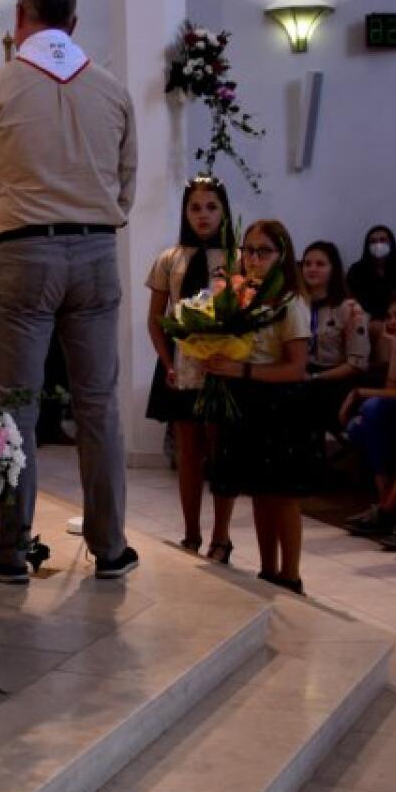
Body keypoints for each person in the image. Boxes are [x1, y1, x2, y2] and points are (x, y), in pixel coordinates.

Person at [0, 0, 138, 583]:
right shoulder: (112, 90)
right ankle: (111, 548)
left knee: (16, 405)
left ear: (19, 17)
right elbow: (127, 183)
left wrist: (5, 243)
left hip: (24, 250)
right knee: (100, 405)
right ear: (74, 22)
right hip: (97, 252)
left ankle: (10, 549)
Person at [206, 220, 312, 594]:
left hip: (279, 404)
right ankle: (268, 571)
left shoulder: (290, 303)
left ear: (282, 256)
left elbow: (296, 368)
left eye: (263, 251)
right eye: (248, 250)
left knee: (282, 494)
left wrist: (242, 369)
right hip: (246, 399)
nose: (253, 259)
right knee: (260, 491)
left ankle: (291, 575)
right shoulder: (243, 297)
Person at [146, 175, 237, 562]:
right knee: (188, 453)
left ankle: (222, 536)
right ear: (185, 212)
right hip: (181, 365)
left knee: (221, 451)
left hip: (222, 368)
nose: (203, 215)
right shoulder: (171, 258)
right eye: (195, 207)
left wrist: (230, 356)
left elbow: (245, 315)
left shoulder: (236, 258)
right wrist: (167, 362)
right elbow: (157, 319)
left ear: (224, 211)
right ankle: (190, 533)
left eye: (212, 207)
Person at [341, 288, 396, 539]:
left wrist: (360, 392)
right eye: (390, 316)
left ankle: (388, 509)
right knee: (369, 416)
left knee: (371, 409)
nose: (392, 322)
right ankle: (385, 499)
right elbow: (392, 388)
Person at [300, 240, 369, 431]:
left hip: (334, 379)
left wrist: (315, 377)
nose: (312, 269)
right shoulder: (297, 305)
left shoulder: (350, 309)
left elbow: (357, 364)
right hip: (301, 372)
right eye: (307, 264)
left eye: (320, 264)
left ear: (333, 269)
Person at [346, 224, 396, 368]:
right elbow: (352, 300)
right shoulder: (357, 270)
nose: (378, 244)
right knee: (381, 328)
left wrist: (393, 318)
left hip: (391, 316)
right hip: (365, 317)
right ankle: (383, 370)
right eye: (373, 241)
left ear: (391, 244)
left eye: (382, 240)